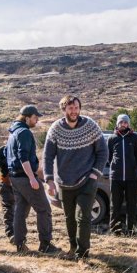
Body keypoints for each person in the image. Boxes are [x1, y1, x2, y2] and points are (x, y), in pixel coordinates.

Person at [43, 95, 108, 259]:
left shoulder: (90, 126)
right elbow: (48, 156)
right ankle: (73, 247)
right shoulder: (55, 128)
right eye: (70, 108)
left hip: (87, 180)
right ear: (64, 109)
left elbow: (103, 152)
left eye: (76, 108)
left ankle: (83, 253)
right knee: (69, 218)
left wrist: (95, 174)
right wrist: (49, 180)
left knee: (83, 217)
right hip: (64, 183)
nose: (74, 111)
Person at [7, 105, 60, 254]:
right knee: (44, 209)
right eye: (35, 117)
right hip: (25, 178)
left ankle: (20, 244)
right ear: (27, 117)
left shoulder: (13, 131)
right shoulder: (24, 132)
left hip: (15, 178)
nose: (37, 121)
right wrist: (32, 178)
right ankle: (45, 245)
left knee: (21, 211)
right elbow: (24, 158)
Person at [107, 114, 137, 236]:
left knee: (131, 205)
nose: (123, 124)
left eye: (125, 122)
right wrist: (115, 167)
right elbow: (109, 157)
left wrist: (133, 167)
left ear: (128, 124)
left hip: (131, 178)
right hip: (116, 177)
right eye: (121, 122)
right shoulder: (112, 138)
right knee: (115, 205)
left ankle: (131, 231)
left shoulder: (134, 137)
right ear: (117, 124)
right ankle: (115, 230)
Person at [0, 144, 16, 242]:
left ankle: (18, 233)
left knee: (19, 209)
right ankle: (11, 234)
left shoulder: (23, 147)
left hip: (20, 183)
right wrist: (2, 162)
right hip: (6, 183)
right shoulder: (3, 149)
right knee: (8, 209)